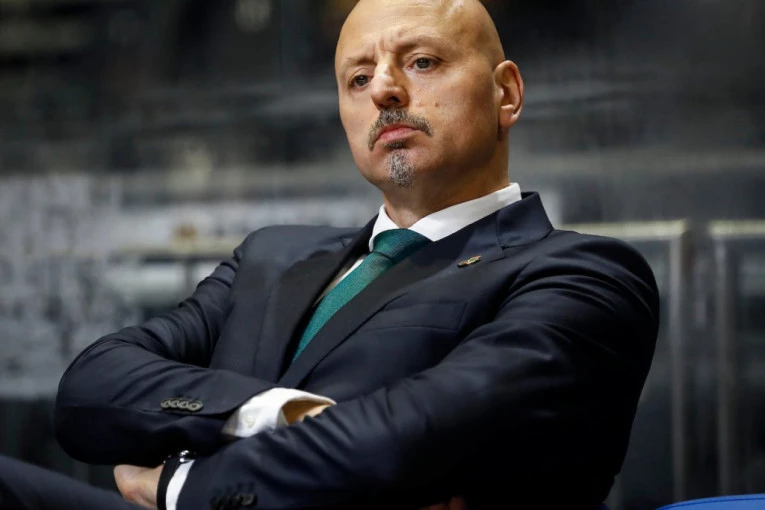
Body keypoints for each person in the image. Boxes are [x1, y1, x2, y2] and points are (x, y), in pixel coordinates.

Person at [1, 0, 659, 508]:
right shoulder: (272, 256)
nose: (384, 90)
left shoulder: (582, 275)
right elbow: (91, 390)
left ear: (505, 93)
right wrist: (272, 413)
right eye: (358, 77)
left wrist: (181, 486)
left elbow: (404, 439)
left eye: (421, 62)